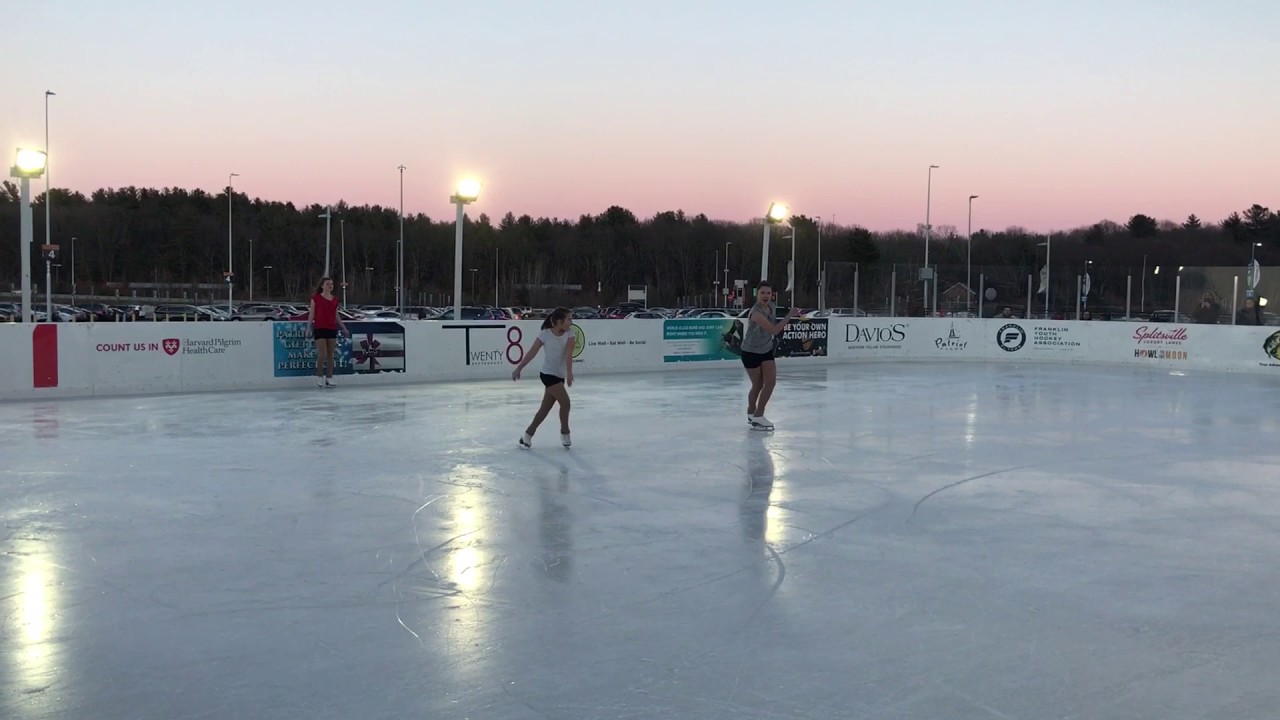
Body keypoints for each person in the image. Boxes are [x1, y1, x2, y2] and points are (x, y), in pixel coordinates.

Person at [740, 281, 800, 430]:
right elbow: (774, 330)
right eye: (762, 293)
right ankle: (751, 411)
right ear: (757, 295)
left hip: (766, 350)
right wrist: (789, 315)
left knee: (770, 382)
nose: (766, 296)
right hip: (750, 352)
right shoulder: (756, 313)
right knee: (758, 385)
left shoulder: (771, 306)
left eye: (768, 293)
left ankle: (758, 414)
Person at [512, 307, 575, 448]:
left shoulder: (570, 333)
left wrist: (569, 373)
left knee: (545, 409)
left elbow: (568, 354)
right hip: (547, 374)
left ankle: (527, 435)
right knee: (565, 403)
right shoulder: (545, 334)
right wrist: (519, 368)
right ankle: (565, 432)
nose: (571, 322)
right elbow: (532, 352)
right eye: (569, 319)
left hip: (559, 375)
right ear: (560, 321)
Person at [307, 277, 348, 388]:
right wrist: (308, 327)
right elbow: (312, 314)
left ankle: (329, 377)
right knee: (323, 353)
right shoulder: (316, 298)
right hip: (320, 328)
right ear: (322, 286)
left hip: (331, 328)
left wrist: (343, 327)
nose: (330, 286)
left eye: (331, 284)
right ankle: (319, 375)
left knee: (331, 354)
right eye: (327, 284)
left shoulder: (334, 300)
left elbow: (336, 315)